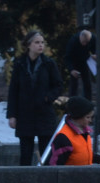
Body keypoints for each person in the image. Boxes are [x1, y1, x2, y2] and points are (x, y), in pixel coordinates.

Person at [7, 30, 64, 166]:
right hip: (25, 114)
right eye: (37, 42)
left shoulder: (49, 64)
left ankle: (46, 182)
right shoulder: (20, 64)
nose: (40, 45)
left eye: (42, 43)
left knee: (46, 153)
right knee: (25, 152)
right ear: (28, 45)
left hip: (44, 112)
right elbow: (13, 90)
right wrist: (12, 115)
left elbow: (58, 85)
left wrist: (47, 98)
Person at [44, 96, 100, 166]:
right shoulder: (63, 137)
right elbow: (54, 165)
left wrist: (96, 158)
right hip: (70, 176)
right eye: (88, 117)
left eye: (91, 117)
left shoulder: (84, 132)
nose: (90, 120)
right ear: (78, 116)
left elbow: (80, 153)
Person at [63, 29, 96, 98]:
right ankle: (72, 102)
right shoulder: (73, 41)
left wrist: (95, 55)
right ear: (80, 37)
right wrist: (71, 70)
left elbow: (95, 49)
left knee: (87, 82)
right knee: (74, 84)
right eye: (83, 42)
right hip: (74, 61)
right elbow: (67, 57)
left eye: (87, 42)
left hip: (86, 60)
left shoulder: (93, 38)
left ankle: (88, 102)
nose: (85, 44)